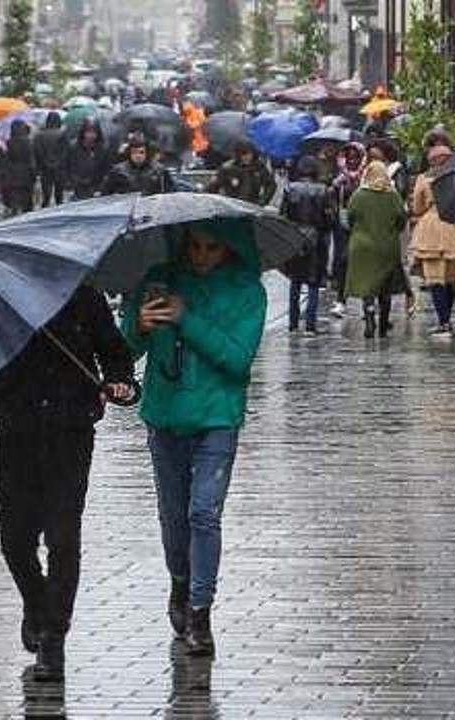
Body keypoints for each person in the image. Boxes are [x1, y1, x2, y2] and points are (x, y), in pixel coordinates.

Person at [121, 219, 267, 658]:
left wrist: (188, 319)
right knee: (173, 515)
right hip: (165, 414)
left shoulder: (247, 292)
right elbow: (124, 349)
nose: (202, 256)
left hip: (216, 415)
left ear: (229, 250)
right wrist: (139, 326)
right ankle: (180, 584)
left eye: (213, 249)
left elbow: (237, 360)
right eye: (196, 247)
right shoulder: (159, 280)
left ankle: (201, 611)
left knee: (204, 512)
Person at [0, 286, 136, 682]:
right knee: (15, 540)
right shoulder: (3, 299)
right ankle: (37, 603)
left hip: (71, 429)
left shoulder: (85, 297)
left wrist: (119, 382)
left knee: (63, 537)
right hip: (17, 430)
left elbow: (114, 353)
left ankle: (54, 637)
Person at [409, 144, 455, 336]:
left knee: (435, 279)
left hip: (431, 229)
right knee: (453, 277)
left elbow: (417, 207)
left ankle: (444, 322)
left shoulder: (424, 179)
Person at [345, 161, 408, 339]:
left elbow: (350, 217)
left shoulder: (359, 195)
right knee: (385, 287)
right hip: (387, 246)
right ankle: (383, 324)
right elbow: (402, 220)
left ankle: (370, 314)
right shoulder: (393, 196)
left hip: (362, 247)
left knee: (367, 285)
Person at [280, 156, 334, 332]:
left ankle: (293, 323)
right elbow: (329, 218)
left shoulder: (290, 189)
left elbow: (283, 216)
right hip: (316, 239)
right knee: (313, 282)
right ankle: (310, 324)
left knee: (295, 281)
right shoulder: (323, 190)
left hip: (295, 237)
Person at [327, 143, 365, 318]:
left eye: (355, 157)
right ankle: (341, 299)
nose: (352, 161)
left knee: (365, 263)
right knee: (343, 261)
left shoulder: (366, 178)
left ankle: (368, 302)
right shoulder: (338, 180)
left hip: (364, 225)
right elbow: (331, 199)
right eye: (348, 157)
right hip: (343, 226)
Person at [205, 140, 276, 206]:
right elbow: (212, 187)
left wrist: (262, 201)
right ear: (238, 154)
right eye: (243, 154)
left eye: (249, 154)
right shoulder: (228, 168)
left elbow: (271, 185)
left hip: (252, 205)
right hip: (232, 206)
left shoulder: (259, 167)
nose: (247, 157)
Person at [101, 139, 175, 196]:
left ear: (147, 154)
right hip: (124, 208)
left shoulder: (159, 170)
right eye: (134, 152)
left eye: (141, 152)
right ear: (129, 154)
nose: (138, 156)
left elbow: (170, 192)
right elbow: (106, 193)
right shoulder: (118, 171)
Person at [64, 121, 110, 200]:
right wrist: (70, 183)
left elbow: (106, 168)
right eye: (88, 132)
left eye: (93, 132)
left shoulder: (102, 148)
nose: (90, 135)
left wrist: (101, 186)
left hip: (95, 186)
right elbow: (67, 165)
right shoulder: (74, 147)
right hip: (77, 186)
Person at [1, 120, 37, 215]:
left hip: (12, 173)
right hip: (26, 173)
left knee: (14, 196)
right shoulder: (28, 142)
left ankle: (14, 212)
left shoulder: (9, 142)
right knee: (27, 198)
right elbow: (31, 160)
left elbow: (6, 159)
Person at [33, 113, 67, 207]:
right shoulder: (63, 134)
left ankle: (45, 210)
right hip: (60, 168)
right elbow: (65, 152)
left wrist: (43, 164)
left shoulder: (39, 135)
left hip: (45, 168)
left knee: (46, 194)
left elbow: (37, 152)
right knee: (59, 195)